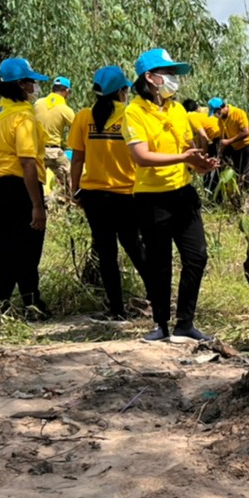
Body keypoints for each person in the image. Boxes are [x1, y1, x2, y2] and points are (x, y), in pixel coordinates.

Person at [123, 48, 220, 343]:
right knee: (159, 261)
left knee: (197, 256)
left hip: (182, 193)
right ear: (150, 78)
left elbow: (186, 150)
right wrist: (183, 158)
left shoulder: (177, 110)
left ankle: (185, 323)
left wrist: (201, 165)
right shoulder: (134, 112)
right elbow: (141, 157)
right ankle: (161, 324)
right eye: (168, 74)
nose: (174, 79)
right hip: (152, 198)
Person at [70, 65, 147, 320]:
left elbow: (77, 159)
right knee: (135, 248)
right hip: (127, 194)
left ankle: (116, 310)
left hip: (94, 195)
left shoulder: (83, 117)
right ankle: (158, 300)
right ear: (122, 91)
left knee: (106, 254)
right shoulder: (129, 115)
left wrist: (75, 190)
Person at [0, 56, 51, 317]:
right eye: (32, 82)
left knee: (7, 247)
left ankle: (6, 303)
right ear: (21, 85)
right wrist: (37, 205)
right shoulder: (23, 118)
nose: (35, 86)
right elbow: (27, 162)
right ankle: (25, 303)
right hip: (20, 188)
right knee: (28, 249)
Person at [34, 76, 75, 196]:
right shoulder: (65, 109)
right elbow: (78, 129)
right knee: (70, 177)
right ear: (66, 91)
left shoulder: (38, 103)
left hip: (37, 150)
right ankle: (71, 204)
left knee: (35, 181)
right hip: (54, 151)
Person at [210, 97, 249, 186]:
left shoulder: (238, 113)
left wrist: (228, 141)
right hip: (236, 148)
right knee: (239, 174)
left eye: (215, 112)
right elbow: (224, 135)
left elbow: (246, 132)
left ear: (220, 108)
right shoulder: (221, 120)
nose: (215, 115)